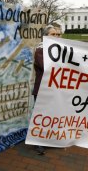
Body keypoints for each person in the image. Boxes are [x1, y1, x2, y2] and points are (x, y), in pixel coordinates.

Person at [32, 24, 61, 155]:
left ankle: (49, 139)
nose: (56, 37)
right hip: (42, 89)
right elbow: (47, 67)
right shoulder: (40, 50)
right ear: (45, 36)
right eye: (53, 34)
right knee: (40, 117)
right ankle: (38, 142)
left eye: (57, 34)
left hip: (53, 89)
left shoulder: (59, 50)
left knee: (51, 115)